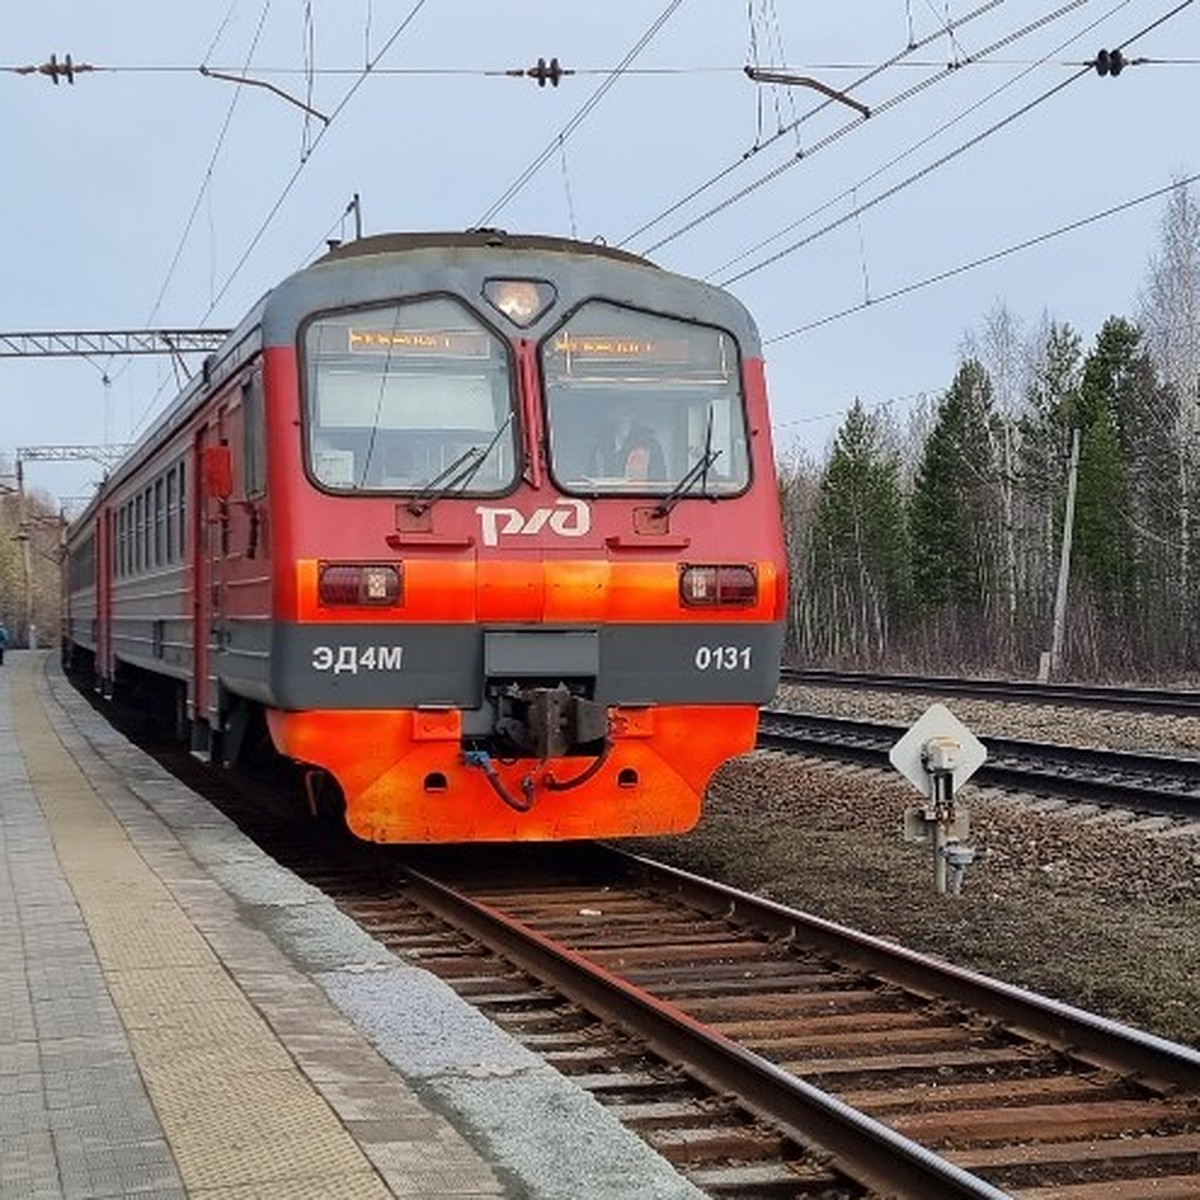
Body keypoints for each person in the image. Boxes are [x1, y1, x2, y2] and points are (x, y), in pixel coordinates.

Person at [590, 403, 667, 482]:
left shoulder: (649, 445)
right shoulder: (600, 446)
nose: (622, 417)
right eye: (617, 413)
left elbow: (659, 479)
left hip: (638, 493)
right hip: (605, 493)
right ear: (611, 416)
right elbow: (592, 476)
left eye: (626, 413)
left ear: (633, 415)